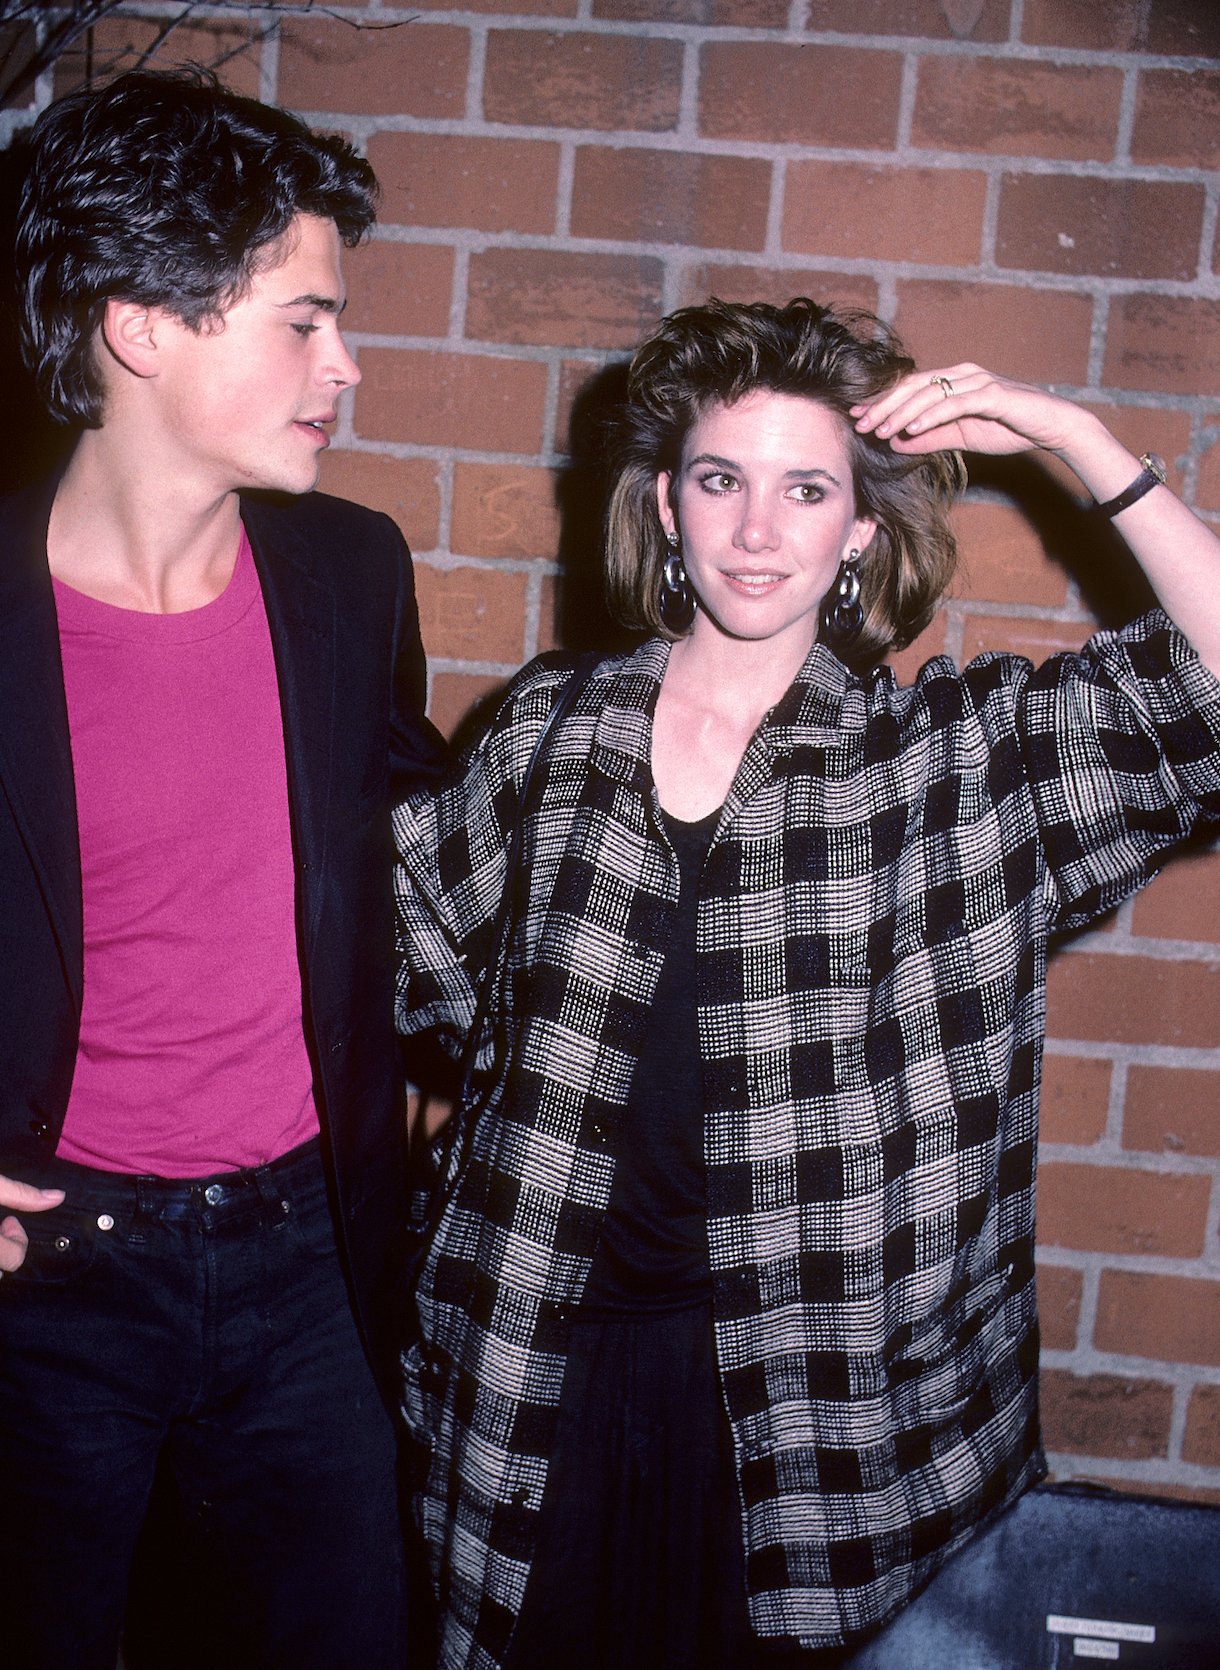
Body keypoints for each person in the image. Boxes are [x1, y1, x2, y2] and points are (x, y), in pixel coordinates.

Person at [392, 296, 1220, 1670]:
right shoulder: (547, 731)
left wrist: (1074, 437)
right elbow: (393, 976)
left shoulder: (955, 765)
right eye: (721, 480)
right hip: (532, 1381)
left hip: (831, 1424)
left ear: (861, 533)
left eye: (807, 489)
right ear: (666, 505)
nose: (758, 531)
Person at [0, 68, 445, 1669]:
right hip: (48, 1286)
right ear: (142, 327)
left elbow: (418, 852)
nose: (346, 365)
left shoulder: (349, 570)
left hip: (307, 1259)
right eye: (303, 322)